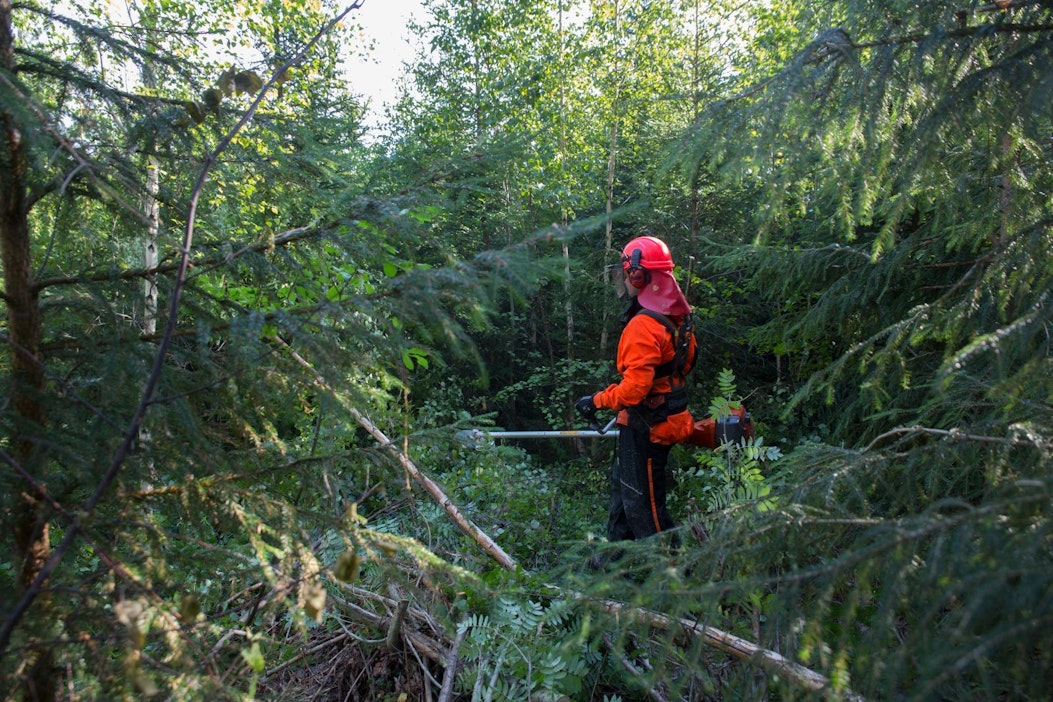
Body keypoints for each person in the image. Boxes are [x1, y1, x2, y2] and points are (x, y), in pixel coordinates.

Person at [575, 235, 697, 544]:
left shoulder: (644, 325)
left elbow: (634, 390)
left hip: (648, 428)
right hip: (657, 419)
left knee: (647, 513)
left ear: (639, 275)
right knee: (625, 496)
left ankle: (673, 575)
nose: (624, 280)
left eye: (626, 273)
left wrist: (596, 401)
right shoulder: (678, 318)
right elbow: (684, 364)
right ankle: (615, 566)